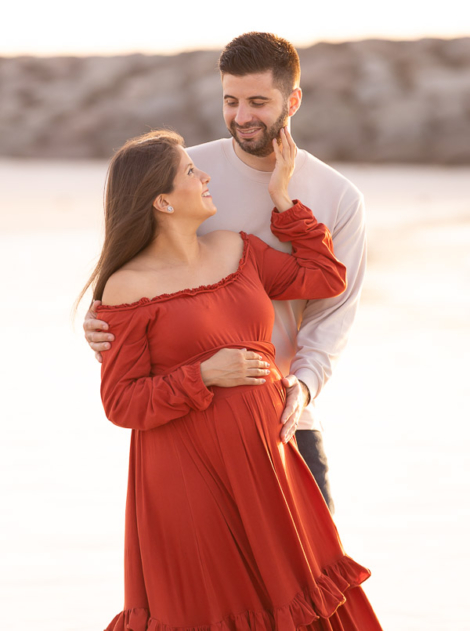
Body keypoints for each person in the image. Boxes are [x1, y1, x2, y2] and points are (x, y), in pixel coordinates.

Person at [80, 126, 382, 630]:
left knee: (300, 599)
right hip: (186, 474)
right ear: (163, 202)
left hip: (267, 461)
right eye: (191, 172)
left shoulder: (234, 248)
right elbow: (122, 403)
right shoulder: (126, 286)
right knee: (213, 607)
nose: (205, 176)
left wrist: (283, 199)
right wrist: (202, 375)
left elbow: (326, 277)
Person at [84, 33, 366, 513]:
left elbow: (332, 311)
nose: (242, 116)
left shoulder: (337, 196)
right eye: (231, 101)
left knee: (318, 572)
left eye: (258, 102)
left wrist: (302, 387)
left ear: (292, 100)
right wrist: (101, 322)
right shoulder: (188, 171)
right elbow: (136, 264)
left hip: (281, 414)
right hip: (187, 419)